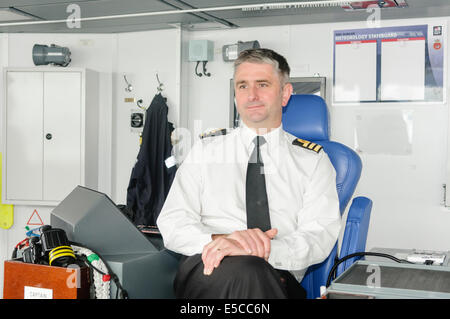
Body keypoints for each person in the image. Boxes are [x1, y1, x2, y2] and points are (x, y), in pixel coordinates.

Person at [157, 48, 341, 299]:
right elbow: (172, 224)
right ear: (235, 95)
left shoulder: (313, 161)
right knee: (246, 271)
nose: (251, 95)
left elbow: (319, 236)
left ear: (285, 94)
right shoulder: (205, 151)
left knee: (251, 270)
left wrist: (262, 250)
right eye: (243, 86)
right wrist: (227, 241)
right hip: (208, 268)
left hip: (278, 274)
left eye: (262, 84)